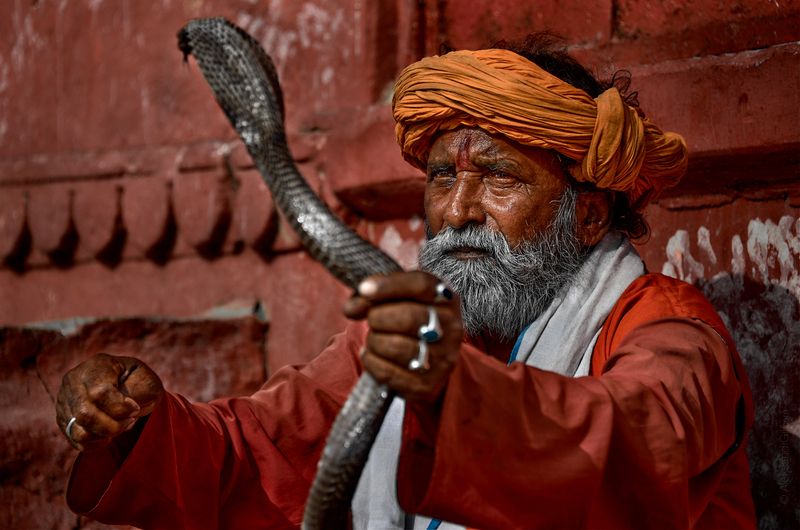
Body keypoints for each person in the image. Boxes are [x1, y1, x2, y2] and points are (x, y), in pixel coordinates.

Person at [55, 35, 756, 529]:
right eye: (445, 176)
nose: (457, 212)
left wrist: (450, 389)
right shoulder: (415, 332)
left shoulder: (671, 330)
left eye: (500, 178)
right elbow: (260, 451)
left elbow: (633, 446)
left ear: (589, 214)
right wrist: (141, 425)